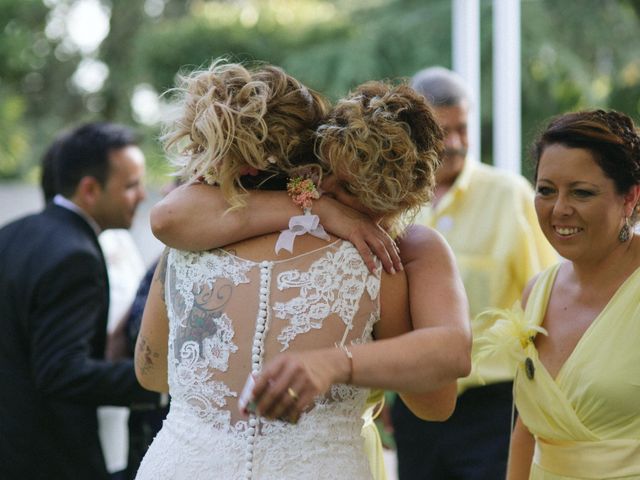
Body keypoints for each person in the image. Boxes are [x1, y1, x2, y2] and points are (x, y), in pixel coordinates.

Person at [134, 61, 470, 479]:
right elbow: (434, 403)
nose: (325, 191)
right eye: (329, 178)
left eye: (348, 189)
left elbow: (152, 373)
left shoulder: (197, 234)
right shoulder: (386, 262)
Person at [390, 66, 557, 480]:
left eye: (463, 128)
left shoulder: (510, 195)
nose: (456, 143)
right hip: (417, 406)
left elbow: (549, 298)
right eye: (442, 131)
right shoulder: (387, 203)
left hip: (493, 407)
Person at [478, 110, 640, 479]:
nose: (560, 209)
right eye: (546, 190)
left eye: (581, 192)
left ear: (630, 198)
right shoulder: (538, 291)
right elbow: (527, 432)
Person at [0, 122, 159, 479]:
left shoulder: (11, 233)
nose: (142, 195)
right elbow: (61, 372)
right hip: (46, 456)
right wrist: (158, 382)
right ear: (89, 189)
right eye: (131, 185)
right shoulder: (76, 256)